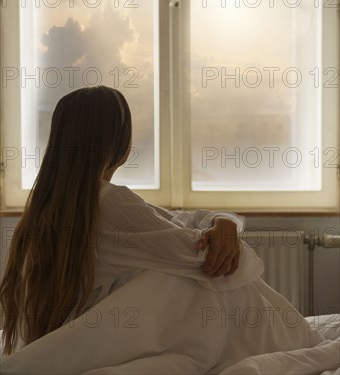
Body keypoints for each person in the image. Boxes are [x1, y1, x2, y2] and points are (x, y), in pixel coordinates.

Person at [0, 86, 324, 372]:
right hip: (99, 339)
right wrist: (222, 231)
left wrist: (222, 221)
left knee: (172, 270)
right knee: (205, 278)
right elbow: (204, 256)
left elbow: (176, 222)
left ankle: (297, 336)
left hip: (70, 331)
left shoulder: (50, 204)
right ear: (119, 142)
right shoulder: (110, 201)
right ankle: (299, 338)